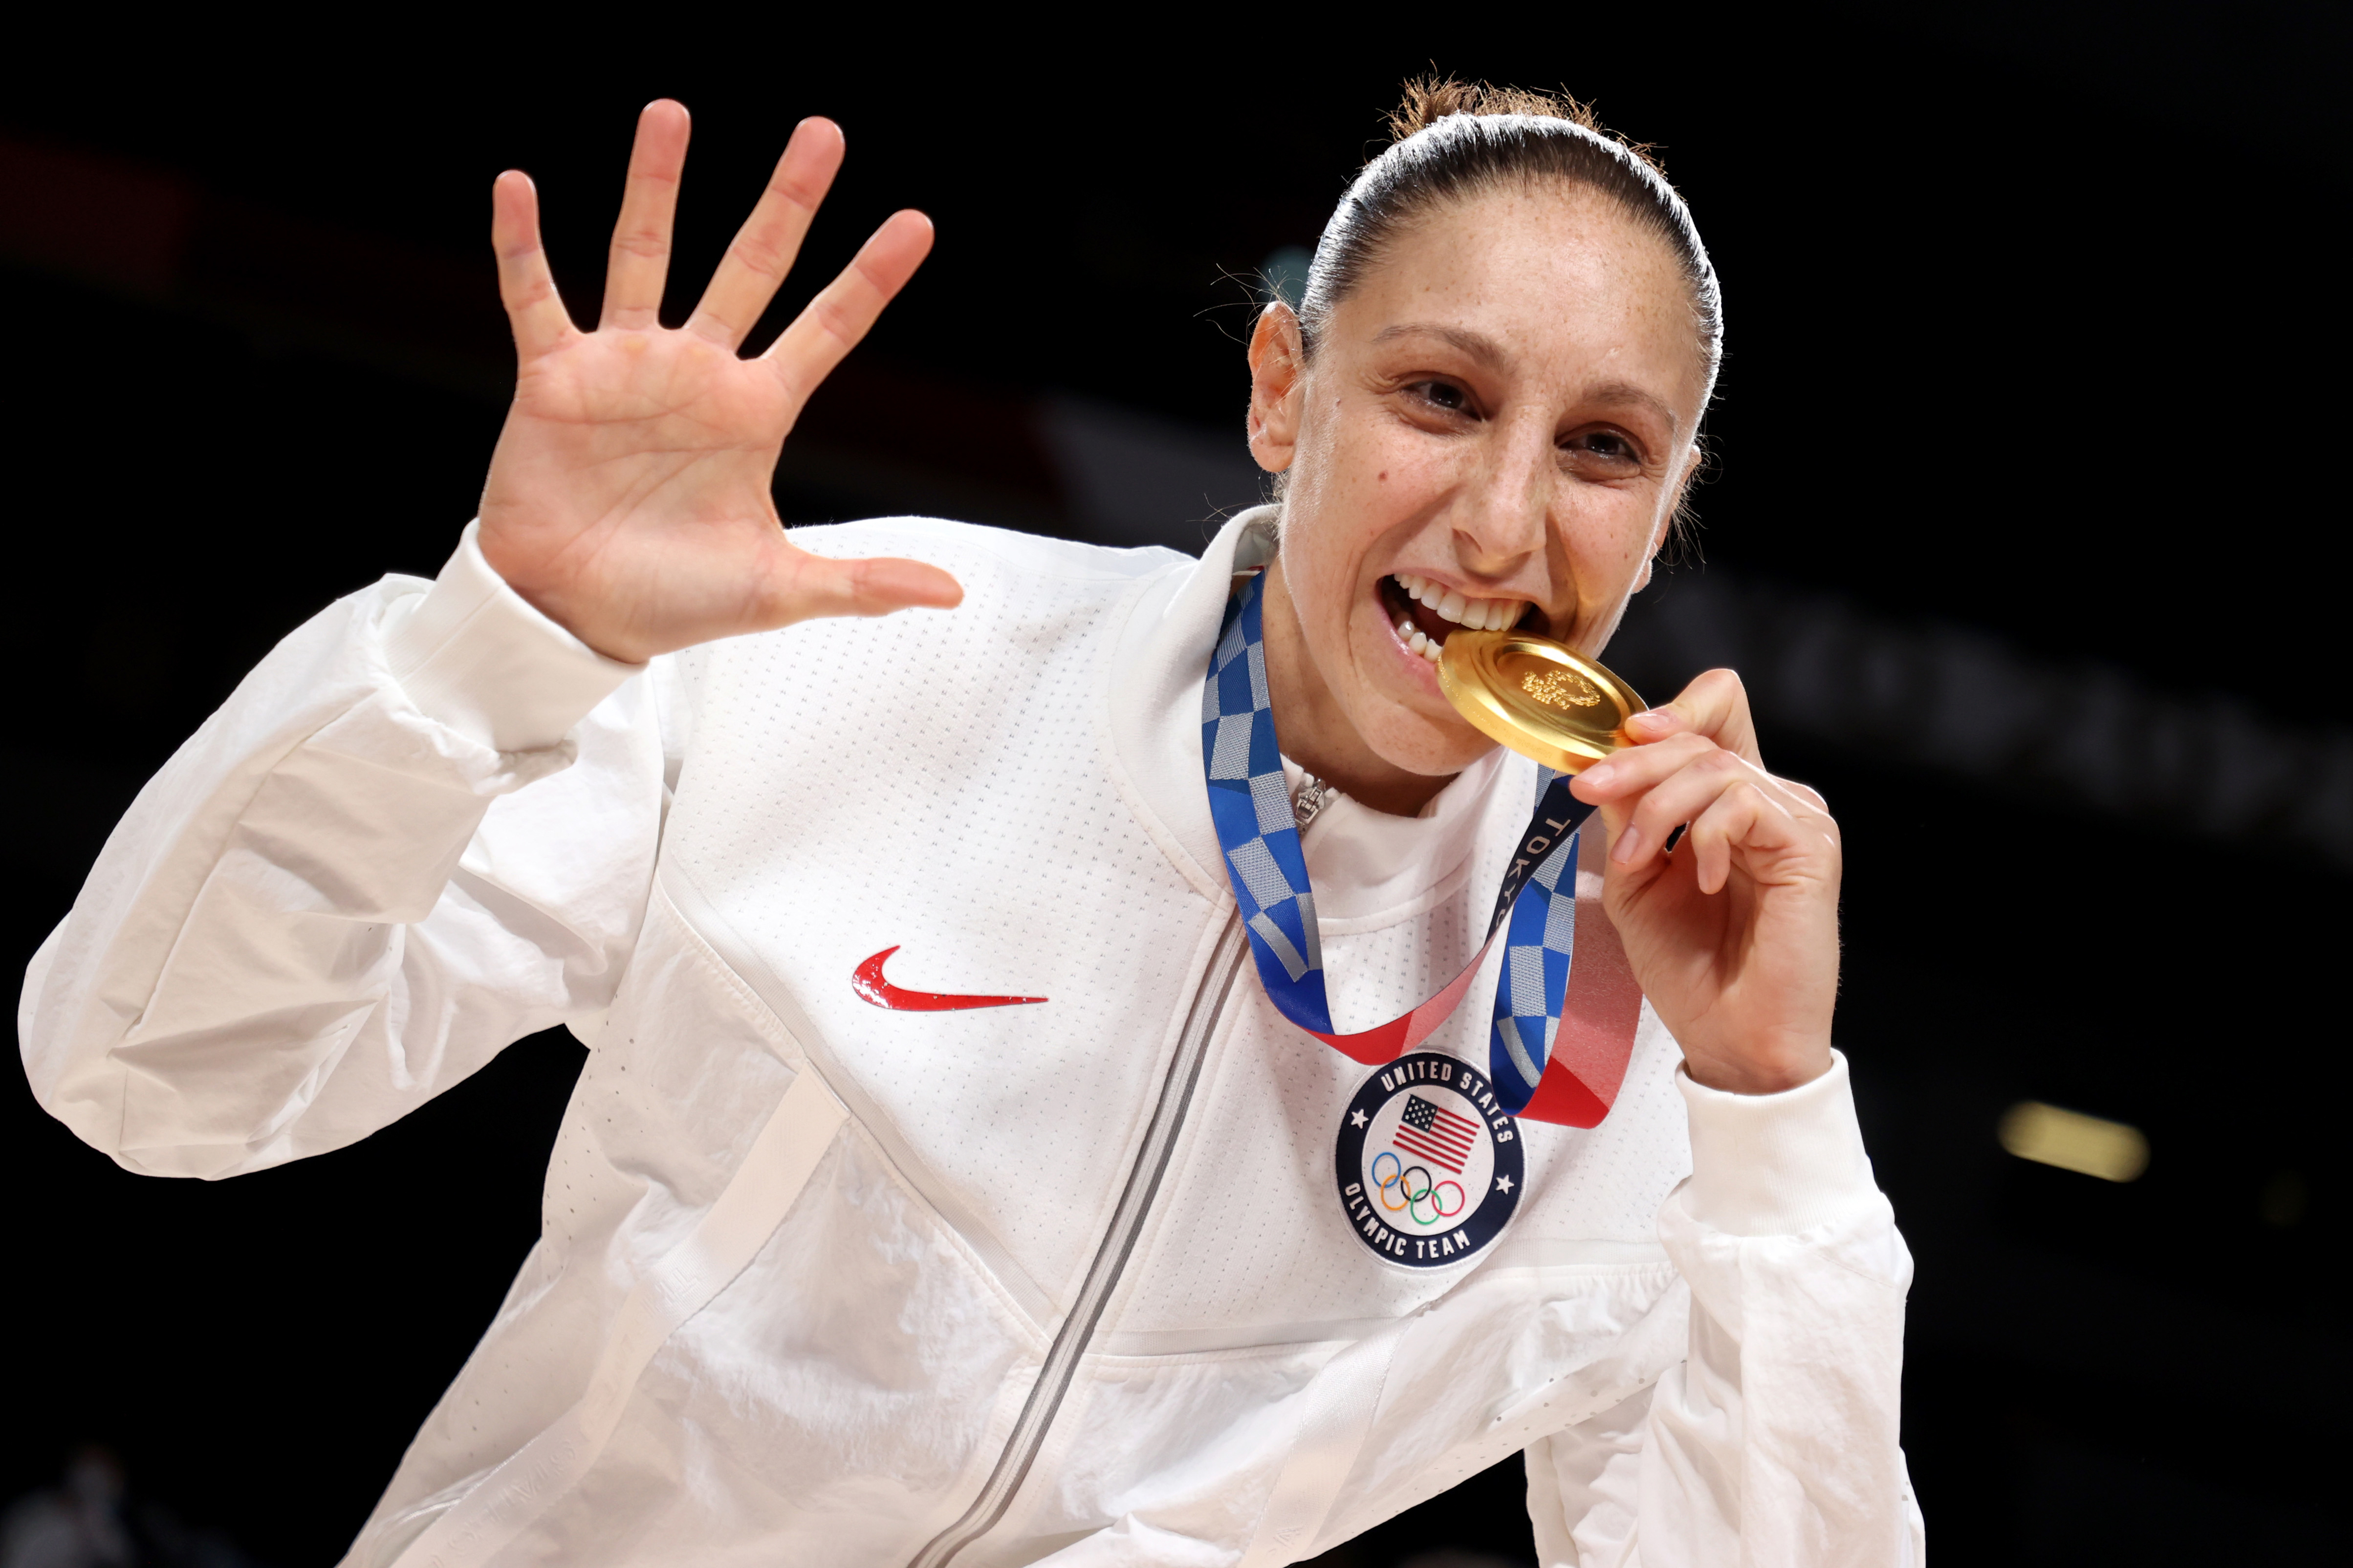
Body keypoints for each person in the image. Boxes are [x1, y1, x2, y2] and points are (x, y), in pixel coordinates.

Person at [18, 79, 1923, 1567]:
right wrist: (491, 649)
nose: (1505, 525)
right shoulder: (859, 660)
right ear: (1285, 392)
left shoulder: (1637, 1013)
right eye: (1440, 394)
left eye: (1602, 448)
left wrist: (1771, 1109)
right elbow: (153, 1073)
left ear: (1664, 511)